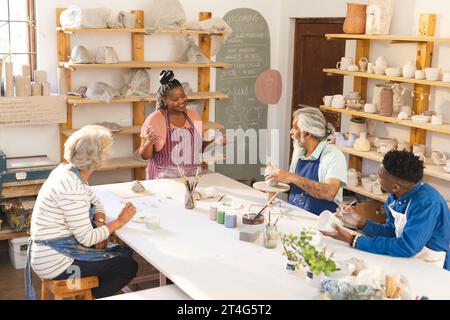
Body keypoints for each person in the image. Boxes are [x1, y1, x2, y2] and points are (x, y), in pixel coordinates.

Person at [26, 125, 138, 299]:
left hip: (51, 255)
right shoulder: (71, 188)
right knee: (128, 266)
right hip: (58, 264)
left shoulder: (67, 171)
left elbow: (96, 202)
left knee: (123, 253)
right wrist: (119, 222)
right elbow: (86, 238)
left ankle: (84, 291)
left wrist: (100, 224)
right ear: (98, 161)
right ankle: (85, 295)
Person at [322, 150, 450, 271]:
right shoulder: (395, 196)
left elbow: (407, 247)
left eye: (380, 176)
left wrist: (354, 240)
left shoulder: (426, 203)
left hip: (430, 264)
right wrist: (362, 223)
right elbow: (393, 232)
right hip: (409, 257)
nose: (377, 180)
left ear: (395, 187)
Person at [139, 70, 226, 180]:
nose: (181, 101)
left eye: (183, 96)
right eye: (175, 99)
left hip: (191, 178)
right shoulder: (154, 120)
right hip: (163, 179)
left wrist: (215, 142)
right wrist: (148, 143)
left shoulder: (193, 116)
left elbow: (198, 148)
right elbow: (144, 156)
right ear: (164, 101)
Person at [266, 107, 347, 215]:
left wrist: (291, 176)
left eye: (295, 127)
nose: (291, 132)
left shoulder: (333, 156)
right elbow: (296, 188)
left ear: (308, 133)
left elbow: (329, 192)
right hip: (296, 217)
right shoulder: (299, 153)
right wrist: (276, 179)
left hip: (322, 225)